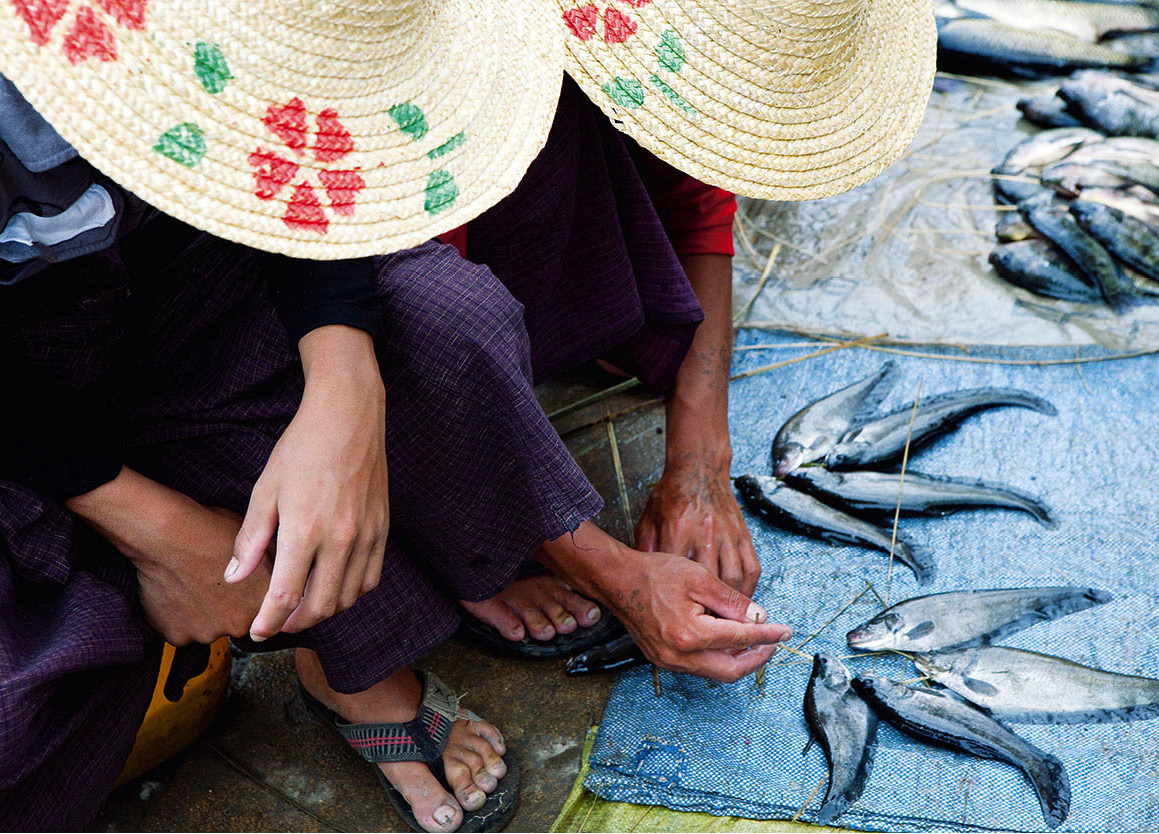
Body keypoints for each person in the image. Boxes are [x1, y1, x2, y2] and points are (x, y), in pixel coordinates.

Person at [0, 1, 934, 831]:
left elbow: (297, 156)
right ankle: (390, 618)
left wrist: (344, 374)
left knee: (447, 329)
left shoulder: (293, 67)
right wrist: (158, 529)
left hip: (183, 269)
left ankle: (435, 566)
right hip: (40, 378)